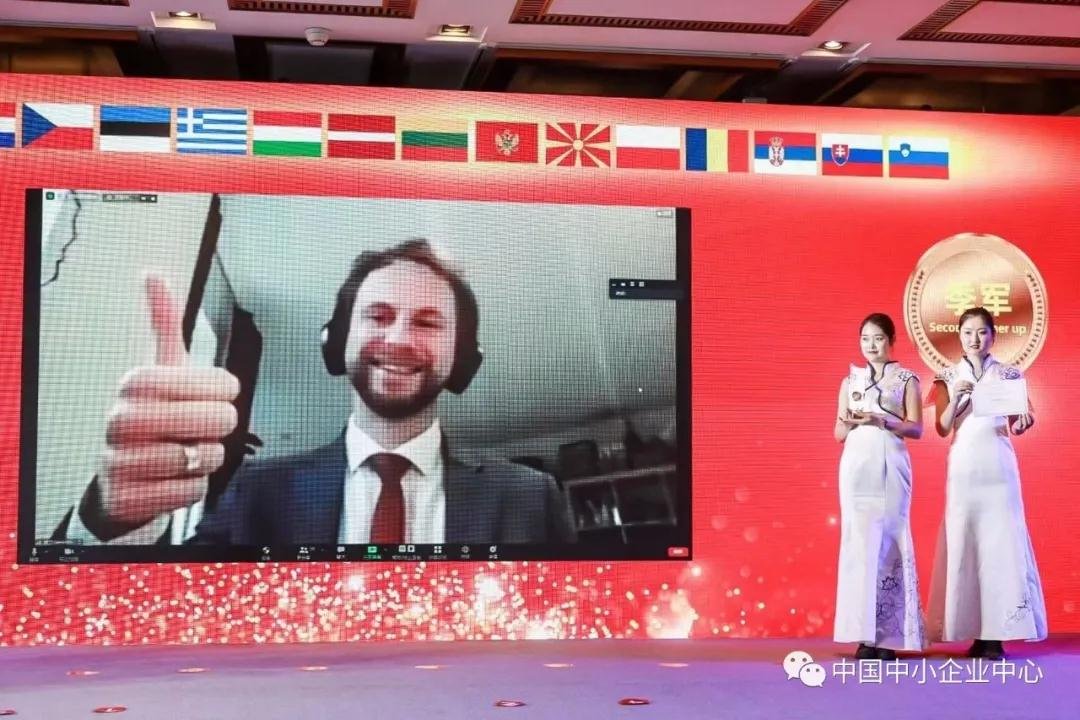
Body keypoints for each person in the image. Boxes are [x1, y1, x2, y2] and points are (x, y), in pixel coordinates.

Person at [57, 239, 576, 546]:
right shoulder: (258, 490)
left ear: (462, 359)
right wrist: (113, 519)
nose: (398, 338)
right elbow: (157, 614)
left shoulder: (531, 496)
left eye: (427, 322)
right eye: (378, 316)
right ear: (336, 341)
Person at [927, 306, 1046, 660]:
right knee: (965, 544)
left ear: (993, 336)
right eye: (968, 333)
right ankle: (971, 631)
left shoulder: (1009, 374)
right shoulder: (947, 376)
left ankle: (997, 634)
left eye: (982, 332)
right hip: (964, 469)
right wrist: (957, 397)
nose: (975, 339)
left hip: (998, 467)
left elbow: (1018, 422)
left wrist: (1023, 423)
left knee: (1000, 547)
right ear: (959, 336)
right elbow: (942, 428)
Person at [833, 313, 927, 660]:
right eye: (865, 339)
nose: (871, 346)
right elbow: (838, 433)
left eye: (878, 338)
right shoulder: (850, 381)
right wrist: (849, 422)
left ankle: (888, 635)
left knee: (889, 540)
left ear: (891, 341)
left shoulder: (906, 379)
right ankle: (863, 635)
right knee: (859, 544)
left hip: (890, 463)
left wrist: (881, 420)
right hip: (856, 466)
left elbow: (917, 429)